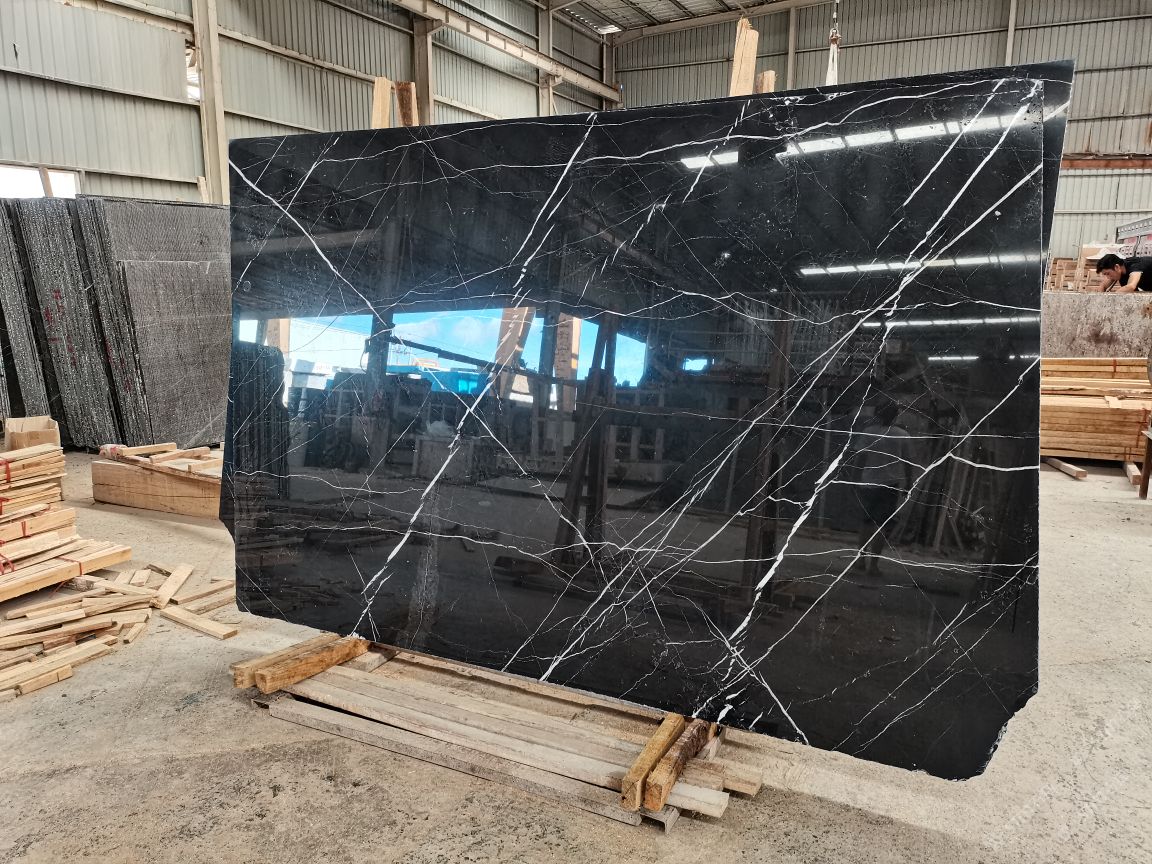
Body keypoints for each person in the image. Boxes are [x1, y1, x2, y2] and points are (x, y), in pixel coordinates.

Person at [855, 402, 915, 576]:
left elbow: (859, 459)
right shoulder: (902, 435)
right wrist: (909, 483)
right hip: (890, 485)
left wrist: (854, 479)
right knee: (882, 526)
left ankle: (860, 560)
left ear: (876, 414)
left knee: (866, 522)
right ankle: (873, 565)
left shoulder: (868, 433)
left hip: (868, 483)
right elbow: (907, 462)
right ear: (895, 415)